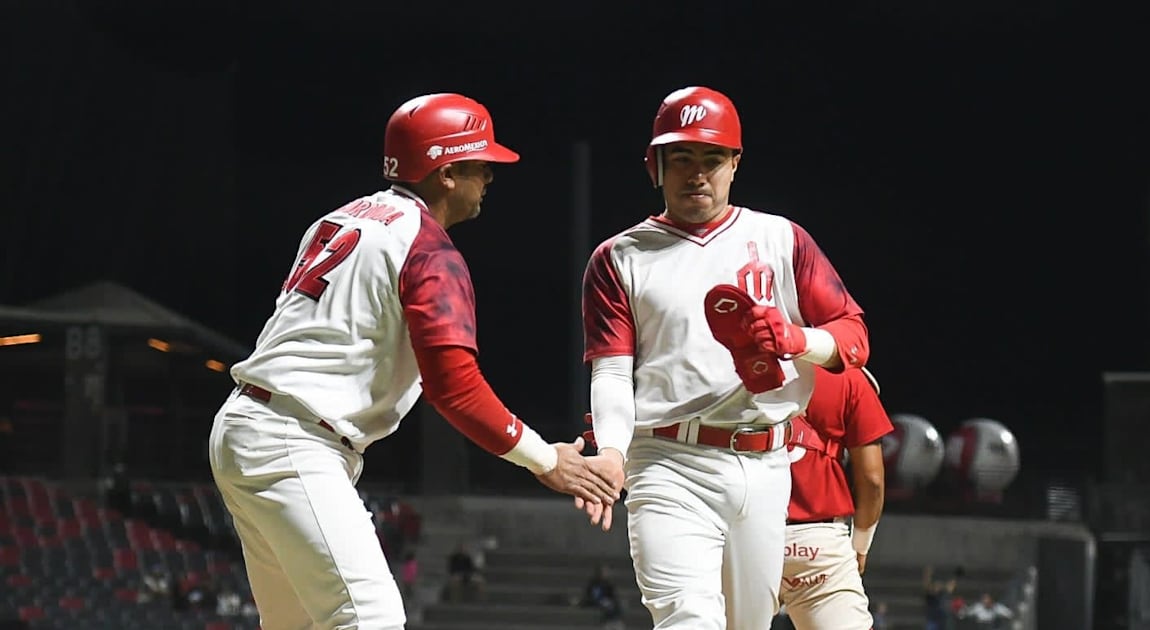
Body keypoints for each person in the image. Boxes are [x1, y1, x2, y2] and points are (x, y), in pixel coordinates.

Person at [208, 92, 622, 629]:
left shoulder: (340, 218)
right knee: (371, 619)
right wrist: (547, 461)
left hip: (249, 427)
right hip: (294, 439)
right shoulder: (426, 248)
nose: (489, 177)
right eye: (480, 165)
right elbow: (455, 389)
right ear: (446, 172)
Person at [579, 85, 870, 630]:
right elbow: (612, 372)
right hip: (668, 462)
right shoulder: (618, 257)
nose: (697, 173)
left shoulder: (782, 239)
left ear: (735, 164)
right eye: (681, 158)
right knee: (687, 618)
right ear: (654, 165)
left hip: (766, 462)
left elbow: (853, 335)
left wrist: (796, 339)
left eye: (712, 159)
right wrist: (613, 453)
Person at [777, 366, 891, 630]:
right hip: (820, 540)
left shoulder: (736, 358)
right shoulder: (849, 377)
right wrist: (860, 546)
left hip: (745, 531)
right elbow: (873, 481)